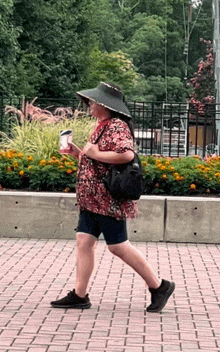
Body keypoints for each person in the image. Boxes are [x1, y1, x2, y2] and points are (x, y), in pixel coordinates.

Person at [50, 82, 175, 312]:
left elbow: (126, 155)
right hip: (93, 200)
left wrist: (95, 153)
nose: (89, 105)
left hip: (108, 200)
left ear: (105, 105)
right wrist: (80, 153)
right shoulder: (102, 125)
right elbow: (98, 159)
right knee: (84, 241)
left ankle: (159, 286)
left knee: (118, 246)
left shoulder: (116, 126)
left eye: (93, 102)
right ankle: (80, 295)